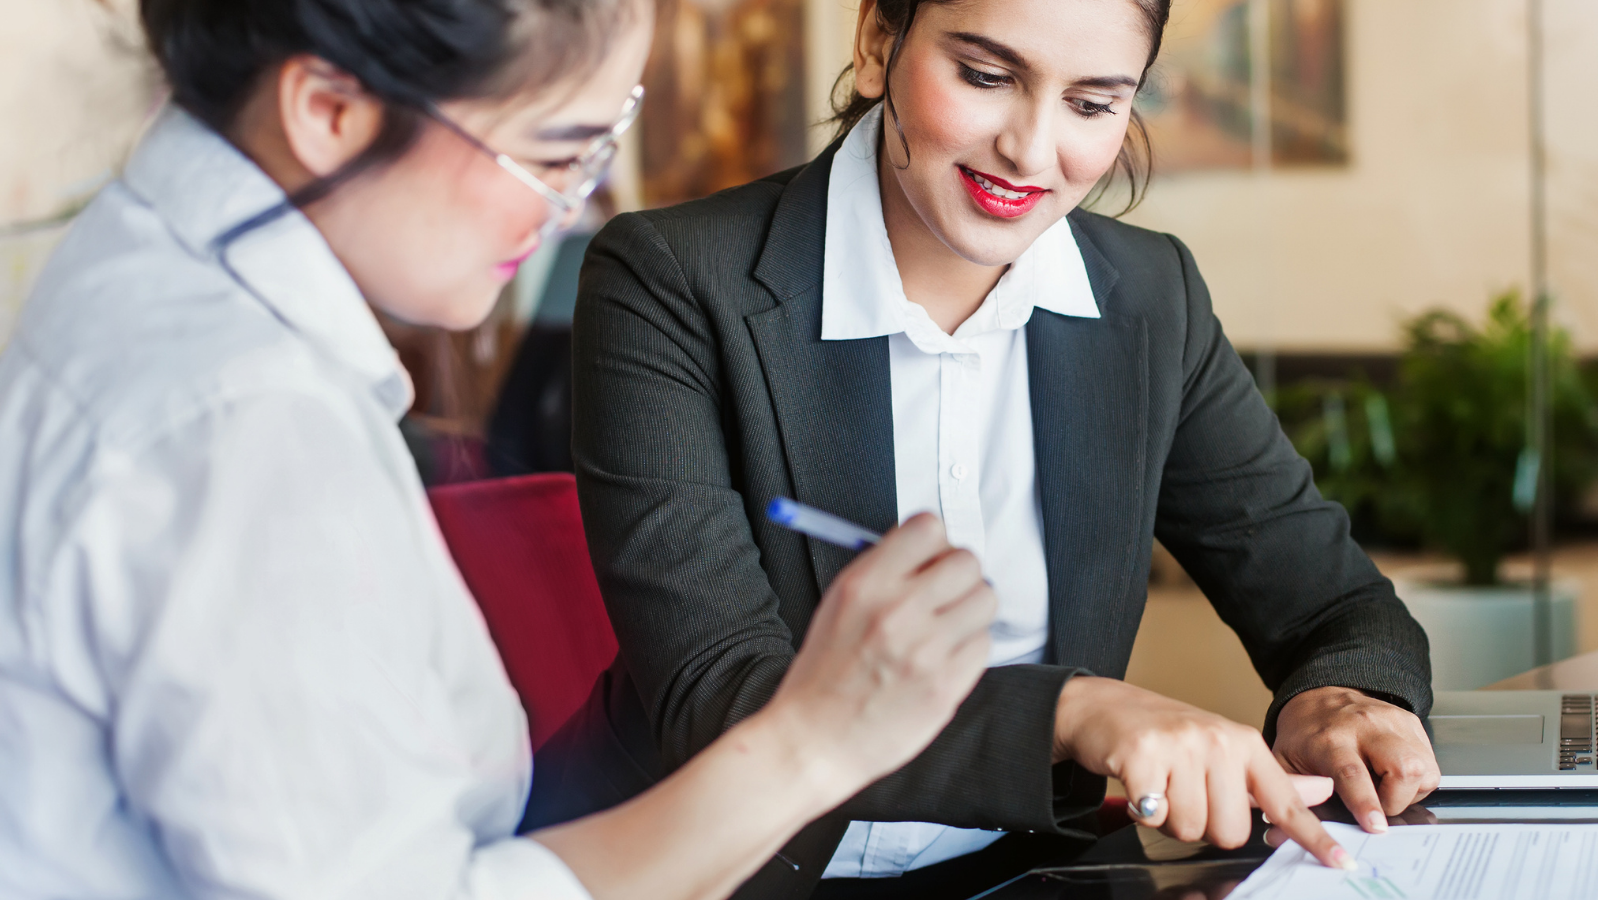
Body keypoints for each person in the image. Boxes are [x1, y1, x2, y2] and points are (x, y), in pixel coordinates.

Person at [0, 1, 999, 898]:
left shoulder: (147, 264)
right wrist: (815, 746)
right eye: (556, 153)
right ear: (329, 111)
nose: (569, 207)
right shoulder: (243, 434)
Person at [561, 0, 1439, 892]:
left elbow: (1331, 603)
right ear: (877, 44)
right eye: (986, 77)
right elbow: (722, 697)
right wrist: (1074, 711)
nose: (1031, 149)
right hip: (722, 871)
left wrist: (1344, 699)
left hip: (1034, 872)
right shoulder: (669, 280)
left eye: (1093, 104)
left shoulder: (1148, 297)